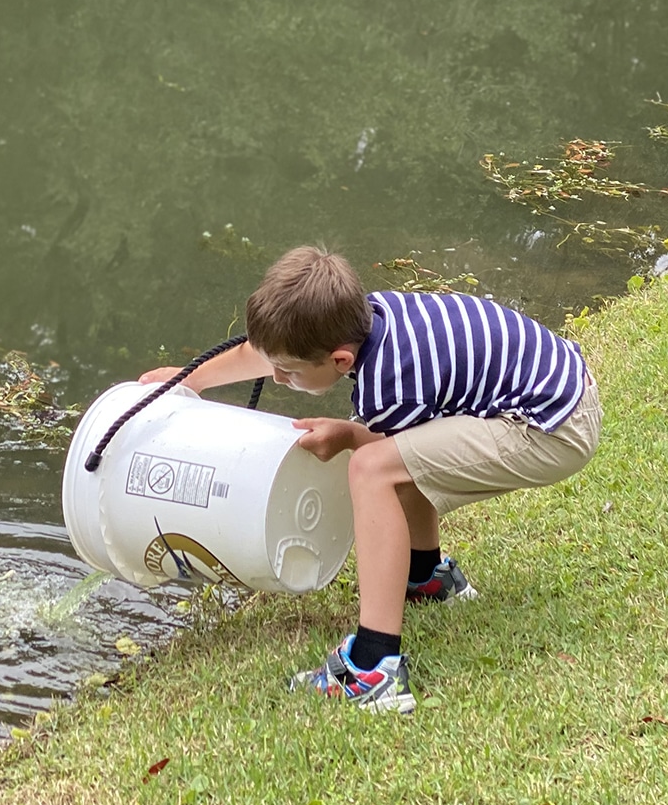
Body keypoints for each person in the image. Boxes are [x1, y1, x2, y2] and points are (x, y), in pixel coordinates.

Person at [141, 246, 598, 713]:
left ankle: (375, 668)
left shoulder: (390, 381)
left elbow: (381, 445)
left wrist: (346, 435)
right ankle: (426, 578)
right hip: (560, 391)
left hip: (549, 430)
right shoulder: (359, 317)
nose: (277, 379)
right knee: (394, 457)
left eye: (290, 372)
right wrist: (189, 379)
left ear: (340, 361)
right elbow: (271, 356)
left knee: (372, 468)